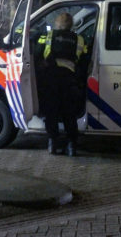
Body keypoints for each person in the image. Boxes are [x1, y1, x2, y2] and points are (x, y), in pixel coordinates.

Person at [37, 12, 85, 156]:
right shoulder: (79, 39)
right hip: (69, 79)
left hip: (51, 78)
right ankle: (71, 146)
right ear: (71, 24)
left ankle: (52, 143)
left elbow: (37, 51)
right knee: (69, 114)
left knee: (51, 112)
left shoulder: (48, 36)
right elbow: (83, 59)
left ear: (57, 23)